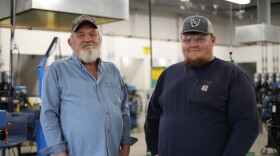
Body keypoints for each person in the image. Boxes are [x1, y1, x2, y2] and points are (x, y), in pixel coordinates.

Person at [144, 15, 260, 156]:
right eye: (187, 39)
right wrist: (154, 149)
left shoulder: (232, 76)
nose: (193, 44)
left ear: (213, 40)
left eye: (200, 38)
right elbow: (152, 116)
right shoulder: (168, 74)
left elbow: (247, 125)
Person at [40, 15, 132, 156]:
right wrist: (59, 153)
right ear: (71, 42)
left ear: (100, 40)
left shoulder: (112, 70)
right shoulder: (57, 70)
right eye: (81, 35)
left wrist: (126, 146)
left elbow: (123, 111)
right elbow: (48, 115)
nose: (88, 39)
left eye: (92, 34)